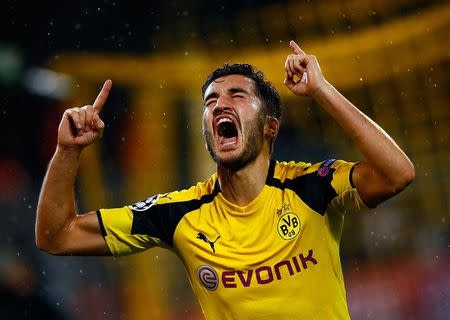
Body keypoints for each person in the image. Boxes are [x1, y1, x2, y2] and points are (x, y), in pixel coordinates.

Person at [36, 41, 415, 319]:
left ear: (270, 127)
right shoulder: (180, 213)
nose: (220, 104)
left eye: (237, 94)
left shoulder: (312, 186)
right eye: (211, 100)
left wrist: (321, 90)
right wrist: (67, 152)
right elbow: (57, 236)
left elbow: (397, 174)